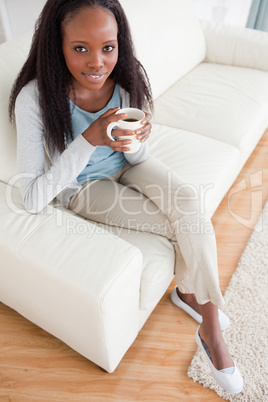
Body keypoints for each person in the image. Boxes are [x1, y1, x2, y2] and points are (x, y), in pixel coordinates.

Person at [9, 0, 243, 394]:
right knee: (173, 224)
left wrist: (136, 139)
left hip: (126, 165)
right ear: (57, 45)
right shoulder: (34, 98)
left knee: (189, 204)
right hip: (82, 188)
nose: (97, 63)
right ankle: (212, 328)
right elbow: (31, 197)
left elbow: (137, 157)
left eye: (108, 47)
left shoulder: (124, 79)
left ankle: (194, 301)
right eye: (80, 48)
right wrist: (88, 139)